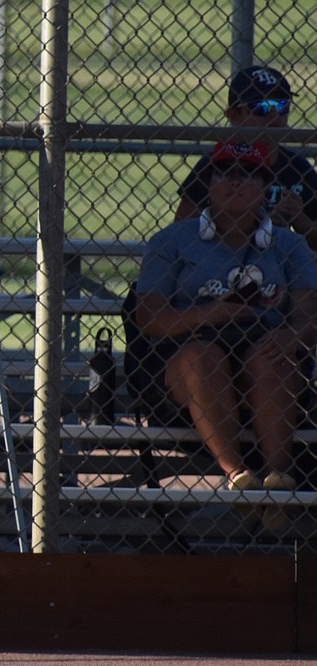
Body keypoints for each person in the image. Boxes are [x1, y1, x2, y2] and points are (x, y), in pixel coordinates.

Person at [135, 141, 317, 530]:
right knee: (204, 356)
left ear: (265, 187)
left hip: (261, 350)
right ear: (208, 184)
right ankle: (238, 476)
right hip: (186, 358)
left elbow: (308, 318)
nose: (236, 182)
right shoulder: (172, 241)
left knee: (271, 355)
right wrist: (210, 313)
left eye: (249, 174)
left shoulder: (288, 244)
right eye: (225, 173)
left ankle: (277, 479)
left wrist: (290, 337)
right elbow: (148, 318)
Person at [175, 65, 317, 250]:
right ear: (234, 114)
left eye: (282, 105)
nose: (274, 114)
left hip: (279, 266)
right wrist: (251, 223)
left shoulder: (297, 167)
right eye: (262, 107)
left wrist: (299, 220)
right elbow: (179, 233)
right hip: (219, 261)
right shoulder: (217, 165)